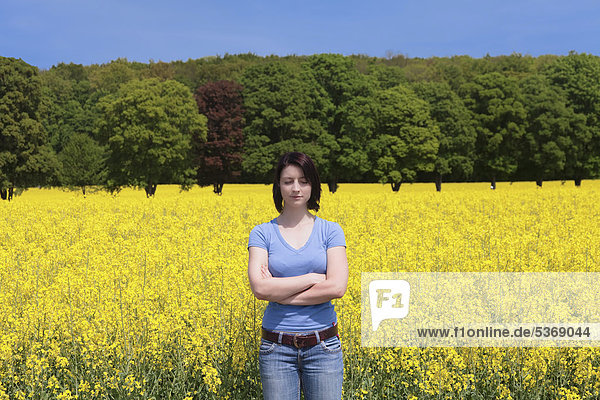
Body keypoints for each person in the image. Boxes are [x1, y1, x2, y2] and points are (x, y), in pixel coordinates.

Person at [247, 151, 349, 400]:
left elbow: (336, 288)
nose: (296, 188)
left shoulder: (331, 231)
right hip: (276, 347)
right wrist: (313, 278)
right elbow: (260, 289)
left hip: (323, 346)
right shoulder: (262, 234)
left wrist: (279, 291)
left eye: (303, 181)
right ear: (278, 186)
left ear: (313, 185)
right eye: (288, 181)